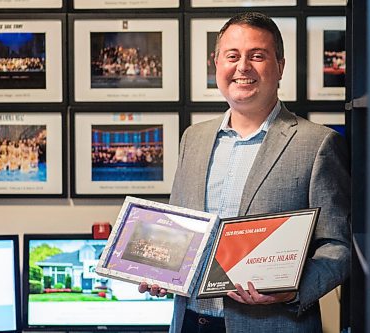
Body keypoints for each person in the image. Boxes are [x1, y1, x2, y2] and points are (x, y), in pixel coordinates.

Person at [139, 11, 351, 333]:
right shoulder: (192, 139)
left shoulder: (318, 143)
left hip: (273, 324)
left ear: (280, 66)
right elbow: (178, 231)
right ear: (216, 63)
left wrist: (294, 290)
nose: (243, 67)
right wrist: (159, 271)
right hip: (190, 322)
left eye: (257, 56)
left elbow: (339, 246)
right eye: (232, 56)